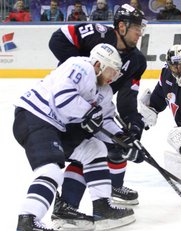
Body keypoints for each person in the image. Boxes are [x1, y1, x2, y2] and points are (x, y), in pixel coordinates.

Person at [13, 43, 144, 231]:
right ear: (98, 64)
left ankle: (100, 209)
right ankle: (28, 220)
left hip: (58, 127)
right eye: (111, 71)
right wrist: (88, 112)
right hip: (36, 116)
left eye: (116, 74)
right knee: (51, 170)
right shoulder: (81, 66)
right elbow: (63, 97)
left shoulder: (104, 92)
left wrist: (124, 141)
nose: (112, 77)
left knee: (94, 149)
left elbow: (104, 121)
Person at [48, 3, 147, 230]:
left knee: (110, 145)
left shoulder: (138, 61)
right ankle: (72, 206)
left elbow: (126, 97)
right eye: (136, 28)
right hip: (69, 104)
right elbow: (57, 39)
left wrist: (132, 124)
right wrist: (83, 76)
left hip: (96, 107)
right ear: (121, 26)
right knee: (86, 148)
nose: (140, 33)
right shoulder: (98, 35)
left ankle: (84, 201)